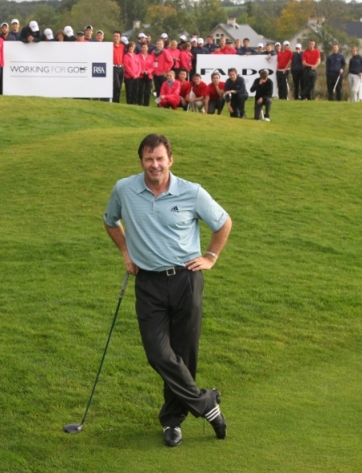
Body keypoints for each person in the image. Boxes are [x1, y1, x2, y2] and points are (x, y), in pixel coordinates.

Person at [103, 133, 231, 448]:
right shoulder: (124, 189)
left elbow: (223, 223)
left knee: (183, 355)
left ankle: (172, 423)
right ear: (141, 161)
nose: (155, 164)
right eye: (149, 159)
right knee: (158, 353)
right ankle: (206, 403)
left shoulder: (191, 192)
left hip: (186, 280)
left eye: (160, 158)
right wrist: (125, 252)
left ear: (170, 159)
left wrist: (211, 257)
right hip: (148, 283)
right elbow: (110, 221)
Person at [112, 31, 124, 103]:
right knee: (117, 85)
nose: (116, 37)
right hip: (113, 67)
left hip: (121, 68)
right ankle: (114, 100)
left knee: (119, 86)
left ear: (120, 37)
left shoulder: (122, 46)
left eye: (117, 36)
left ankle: (117, 101)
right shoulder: (110, 45)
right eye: (114, 36)